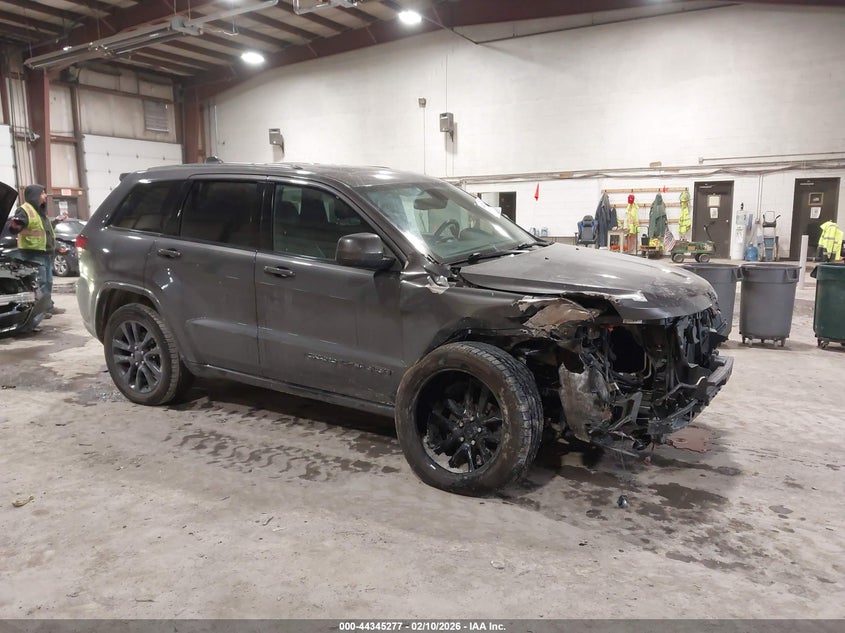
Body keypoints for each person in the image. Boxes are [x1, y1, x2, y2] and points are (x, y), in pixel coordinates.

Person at [6, 184, 64, 318]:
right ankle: (40, 311)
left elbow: (43, 229)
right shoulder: (24, 210)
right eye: (42, 193)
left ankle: (48, 307)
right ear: (35, 195)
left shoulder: (39, 211)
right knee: (40, 283)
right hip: (33, 253)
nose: (45, 195)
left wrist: (56, 221)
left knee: (48, 282)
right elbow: (16, 228)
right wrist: (14, 227)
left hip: (45, 253)